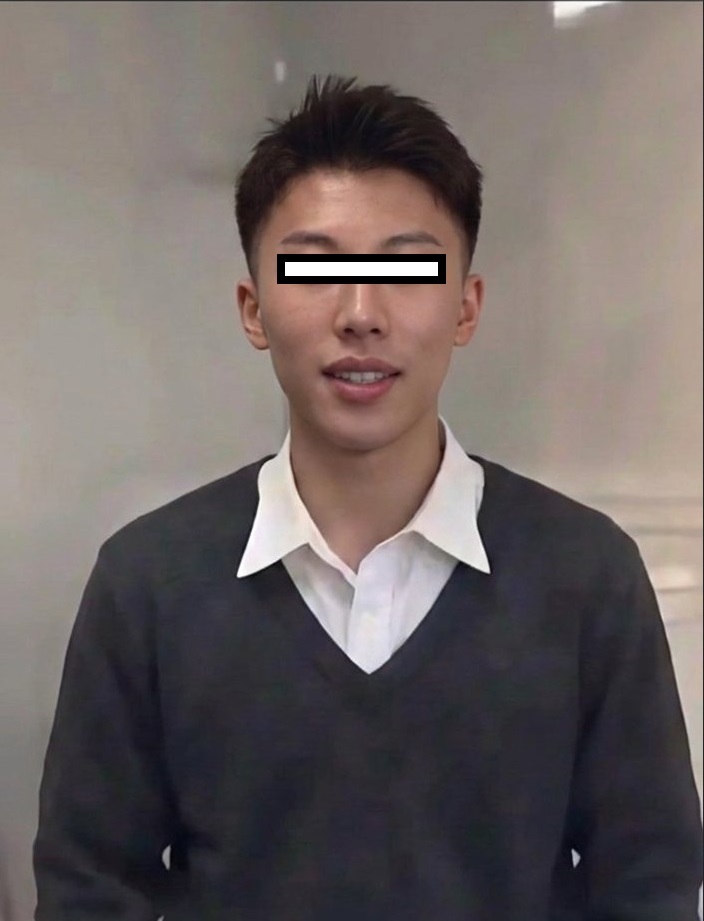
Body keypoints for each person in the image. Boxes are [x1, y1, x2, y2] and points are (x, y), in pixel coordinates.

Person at [33, 74, 703, 921]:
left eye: (406, 268)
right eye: (315, 268)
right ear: (252, 309)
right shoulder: (148, 582)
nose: (361, 313)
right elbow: (88, 886)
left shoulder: (587, 575)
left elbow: (648, 885)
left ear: (466, 307)